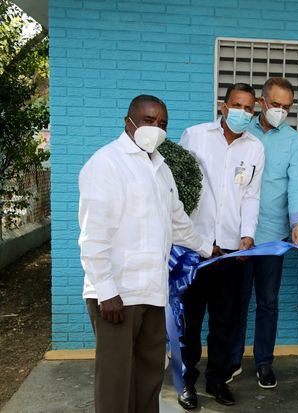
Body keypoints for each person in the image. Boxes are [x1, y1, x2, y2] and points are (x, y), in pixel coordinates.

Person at [79, 95, 212, 413]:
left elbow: (177, 220)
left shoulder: (162, 169)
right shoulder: (106, 163)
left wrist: (208, 247)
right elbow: (93, 235)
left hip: (153, 291)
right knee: (115, 380)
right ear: (129, 121)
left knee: (149, 373)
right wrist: (106, 291)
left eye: (162, 124)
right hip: (118, 295)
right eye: (149, 120)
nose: (156, 128)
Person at [177, 83, 265, 409]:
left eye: (249, 109)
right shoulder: (195, 135)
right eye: (238, 105)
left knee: (224, 322)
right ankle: (186, 382)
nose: (243, 113)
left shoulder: (255, 147)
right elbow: (180, 188)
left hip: (231, 250)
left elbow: (252, 196)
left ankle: (216, 381)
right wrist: (186, 237)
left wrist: (248, 233)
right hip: (196, 248)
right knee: (191, 321)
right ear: (224, 106)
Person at [229, 77, 298, 389]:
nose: (281, 111)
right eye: (276, 104)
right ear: (261, 102)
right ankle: (232, 360)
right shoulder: (238, 132)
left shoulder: (293, 142)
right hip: (236, 235)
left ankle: (264, 361)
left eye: (287, 107)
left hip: (273, 235)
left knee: (267, 302)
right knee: (236, 302)